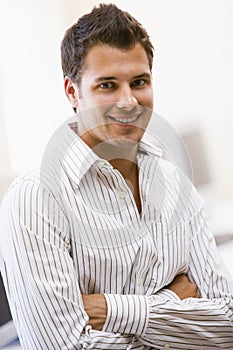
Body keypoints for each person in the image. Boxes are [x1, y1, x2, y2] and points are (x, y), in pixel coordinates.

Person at [0, 3, 233, 349]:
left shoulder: (175, 183)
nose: (128, 102)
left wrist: (112, 309)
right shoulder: (35, 200)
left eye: (139, 82)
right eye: (107, 85)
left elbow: (226, 325)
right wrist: (176, 301)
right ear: (73, 93)